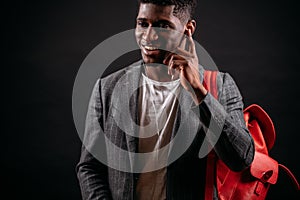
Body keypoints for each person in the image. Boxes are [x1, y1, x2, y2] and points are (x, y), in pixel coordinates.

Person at [76, 0, 254, 199]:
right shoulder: (107, 88)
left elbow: (241, 159)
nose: (149, 36)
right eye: (143, 24)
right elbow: (89, 168)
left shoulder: (219, 86)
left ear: (188, 29)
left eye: (163, 26)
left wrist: (197, 91)